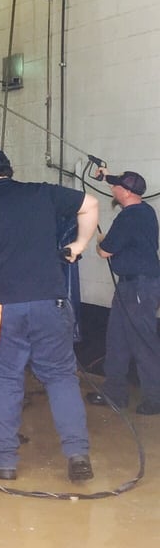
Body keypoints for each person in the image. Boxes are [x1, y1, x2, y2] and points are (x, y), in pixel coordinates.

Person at [0, 147, 98, 483]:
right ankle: (78, 457)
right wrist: (78, 246)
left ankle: (4, 461)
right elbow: (90, 204)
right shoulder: (42, 193)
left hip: (5, 309)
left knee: (6, 383)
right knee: (61, 378)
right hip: (51, 304)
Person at [86, 170, 160, 414]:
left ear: (126, 192)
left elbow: (105, 251)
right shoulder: (146, 211)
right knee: (116, 338)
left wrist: (100, 241)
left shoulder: (128, 217)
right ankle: (114, 392)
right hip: (132, 285)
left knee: (142, 341)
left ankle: (155, 398)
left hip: (138, 287)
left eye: (116, 186)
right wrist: (105, 175)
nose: (112, 189)